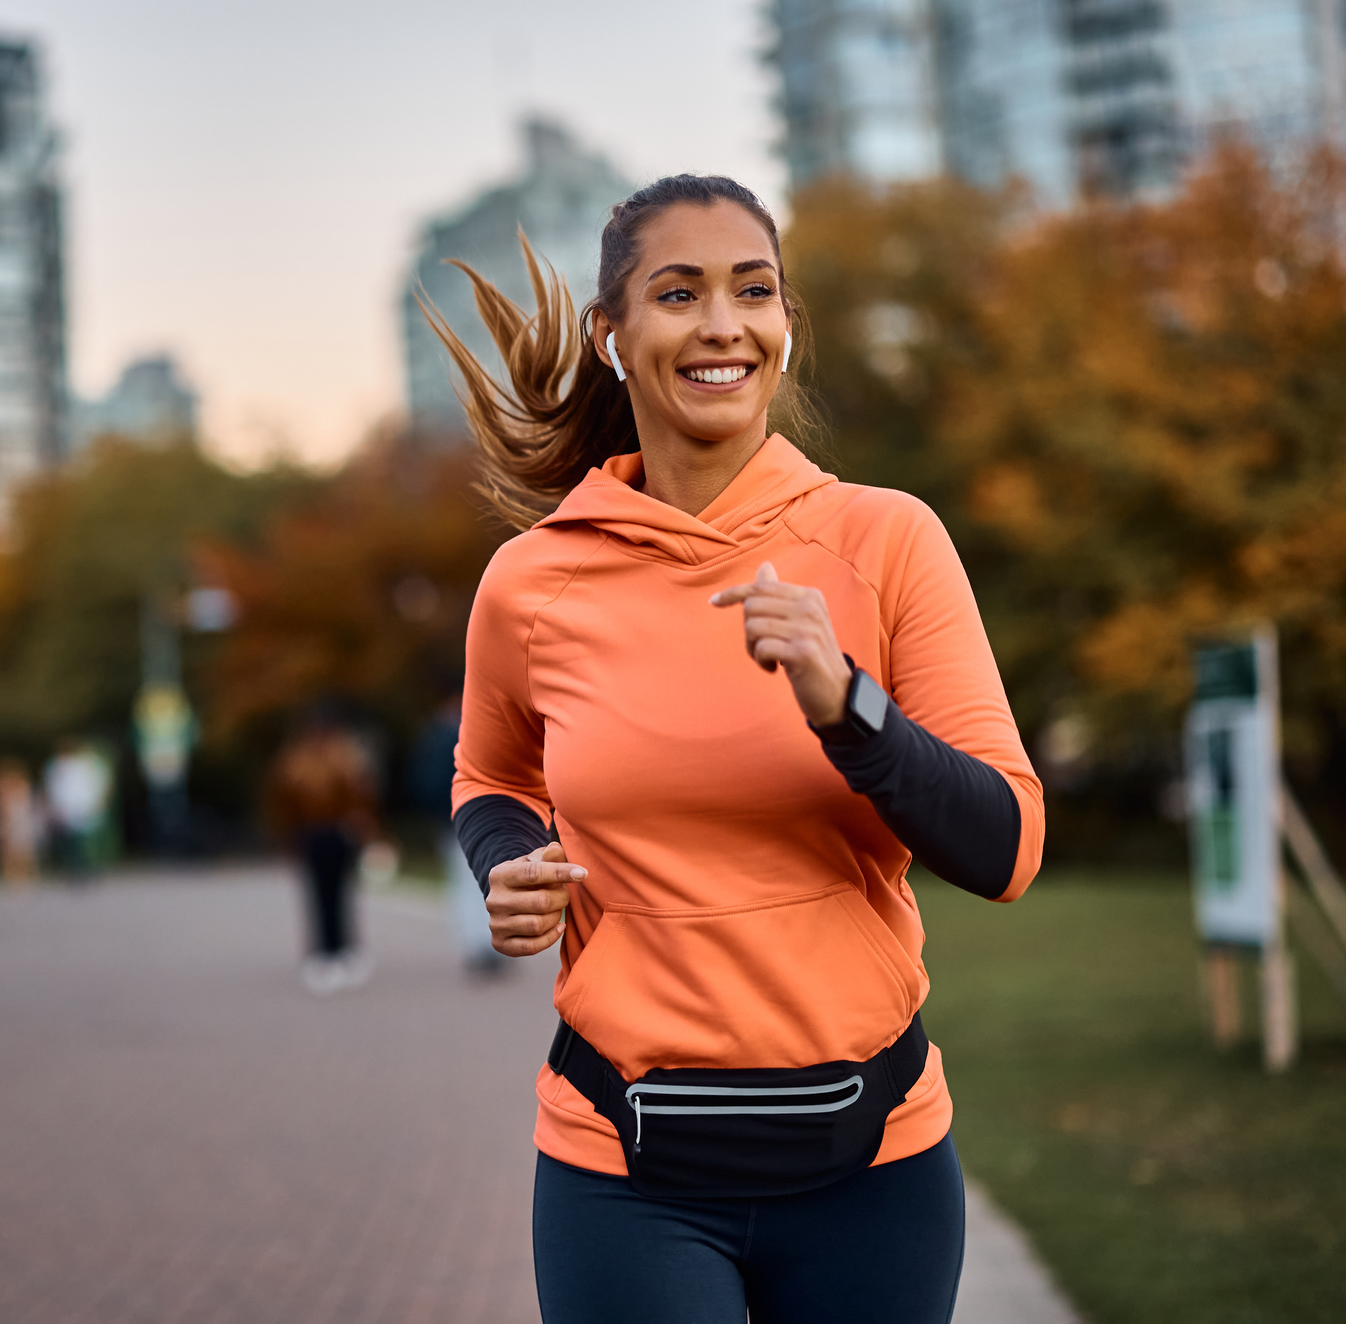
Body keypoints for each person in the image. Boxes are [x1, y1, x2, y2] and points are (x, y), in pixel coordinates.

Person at [435, 176, 1045, 1323]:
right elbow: (490, 771)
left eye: (752, 291)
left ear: (784, 327)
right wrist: (507, 861)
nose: (723, 323)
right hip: (624, 1168)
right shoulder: (533, 580)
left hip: (875, 1168)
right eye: (680, 292)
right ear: (614, 336)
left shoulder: (887, 540)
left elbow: (1006, 846)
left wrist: (847, 706)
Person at [266, 708, 379, 995]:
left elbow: (359, 797)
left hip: (323, 834)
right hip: (323, 833)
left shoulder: (301, 761)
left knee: (329, 894)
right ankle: (332, 950)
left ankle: (334, 950)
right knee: (330, 894)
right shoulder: (338, 758)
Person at [408, 693, 505, 977]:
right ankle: (480, 945)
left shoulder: (436, 737)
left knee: (471, 883)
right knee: (472, 883)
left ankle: (481, 944)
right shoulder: (450, 738)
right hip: (464, 818)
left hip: (461, 819)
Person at [43, 739, 110, 884]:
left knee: (84, 840)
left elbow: (95, 784)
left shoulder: (84, 765)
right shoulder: (55, 767)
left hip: (84, 807)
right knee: (72, 841)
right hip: (67, 809)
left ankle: (87, 868)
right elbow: (54, 789)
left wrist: (97, 801)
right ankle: (76, 869)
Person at [0, 759, 44, 884]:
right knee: (10, 849)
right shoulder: (4, 788)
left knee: (24, 849)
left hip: (20, 821)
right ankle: (12, 876)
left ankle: (24, 876)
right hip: (12, 822)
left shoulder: (22, 787)